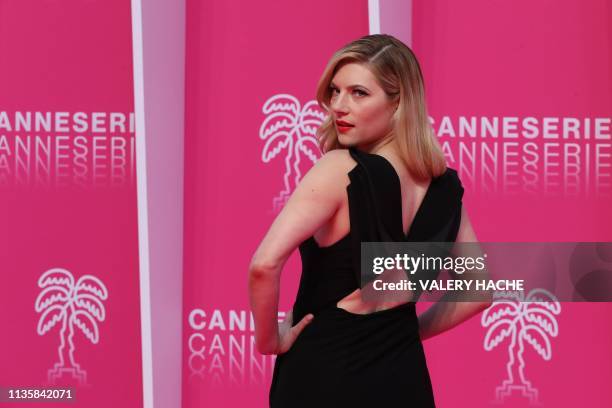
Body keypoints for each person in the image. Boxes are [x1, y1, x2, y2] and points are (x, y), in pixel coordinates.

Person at [248, 34, 492, 407]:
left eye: (359, 93)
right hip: (403, 377)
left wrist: (269, 340)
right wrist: (408, 331)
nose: (339, 107)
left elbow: (264, 265)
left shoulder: (339, 170)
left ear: (399, 103)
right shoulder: (444, 186)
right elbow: (478, 291)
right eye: (335, 91)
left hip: (324, 374)